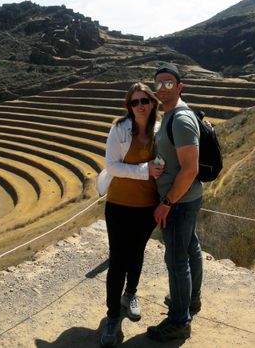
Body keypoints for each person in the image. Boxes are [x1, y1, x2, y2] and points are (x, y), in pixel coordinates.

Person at [96, 82, 163, 347]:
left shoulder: (160, 130)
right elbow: (111, 165)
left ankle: (130, 294)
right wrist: (144, 170)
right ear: (129, 106)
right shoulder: (119, 129)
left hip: (147, 207)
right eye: (134, 102)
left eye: (144, 100)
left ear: (152, 103)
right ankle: (113, 317)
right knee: (118, 261)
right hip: (119, 206)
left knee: (137, 254)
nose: (139, 106)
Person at [146, 62, 203, 342]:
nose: (162, 88)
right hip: (184, 199)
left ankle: (179, 321)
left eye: (168, 83)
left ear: (179, 87)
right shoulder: (170, 115)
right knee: (191, 248)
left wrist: (166, 202)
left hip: (179, 202)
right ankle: (190, 301)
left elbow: (190, 169)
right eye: (158, 83)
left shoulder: (180, 119)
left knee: (176, 260)